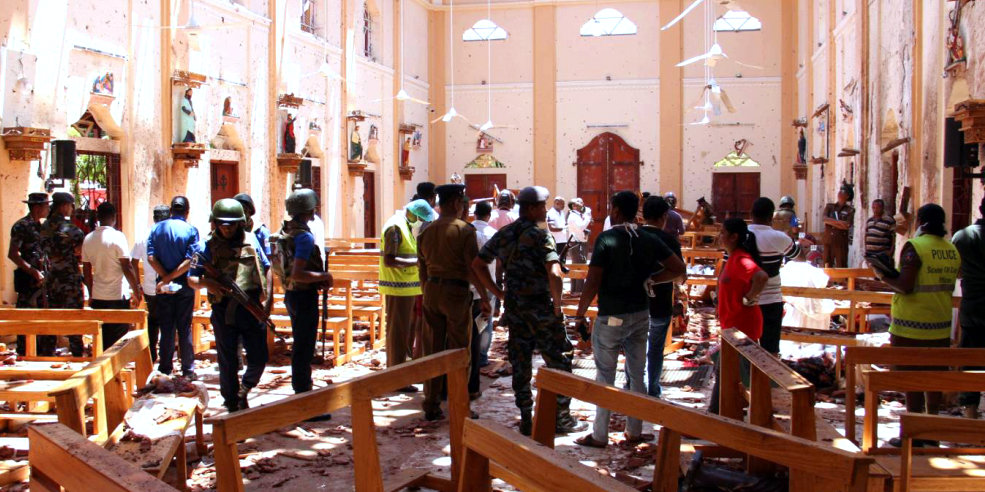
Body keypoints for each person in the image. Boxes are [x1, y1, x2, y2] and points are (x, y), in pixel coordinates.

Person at [573, 192, 685, 448]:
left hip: (612, 315)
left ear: (614, 211)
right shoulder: (647, 238)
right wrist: (653, 279)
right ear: (637, 211)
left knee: (605, 375)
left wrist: (580, 314)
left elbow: (593, 281)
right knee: (637, 373)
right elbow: (678, 269)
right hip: (640, 314)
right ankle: (634, 430)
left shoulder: (607, 239)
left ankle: (600, 434)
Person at [471, 186, 584, 436]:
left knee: (520, 362)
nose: (545, 210)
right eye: (543, 206)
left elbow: (478, 264)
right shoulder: (540, 235)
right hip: (541, 309)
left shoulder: (505, 233)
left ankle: (525, 417)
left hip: (516, 310)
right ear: (532, 208)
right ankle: (561, 418)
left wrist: (499, 294)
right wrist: (557, 305)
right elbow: (554, 273)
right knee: (559, 360)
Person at [870, 204, 960, 445]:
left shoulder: (915, 247)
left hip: (911, 325)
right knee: (933, 379)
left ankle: (914, 433)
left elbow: (906, 285)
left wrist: (883, 276)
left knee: (911, 380)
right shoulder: (951, 249)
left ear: (920, 221)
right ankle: (931, 429)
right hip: (939, 324)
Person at [189, 199, 270, 413]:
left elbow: (267, 269)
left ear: (240, 223)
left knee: (259, 356)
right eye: (222, 224)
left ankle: (245, 388)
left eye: (231, 224)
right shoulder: (206, 246)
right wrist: (209, 283)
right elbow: (192, 279)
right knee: (227, 361)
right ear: (215, 223)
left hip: (250, 306)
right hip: (224, 309)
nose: (226, 228)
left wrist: (268, 300)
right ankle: (232, 403)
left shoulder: (251, 241)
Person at [418, 184, 488, 420]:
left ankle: (431, 402)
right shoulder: (463, 230)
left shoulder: (426, 231)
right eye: (462, 203)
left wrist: (428, 292)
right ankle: (460, 404)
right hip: (455, 293)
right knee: (460, 350)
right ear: (455, 203)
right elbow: (472, 269)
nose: (463, 207)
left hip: (431, 291)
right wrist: (485, 297)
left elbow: (422, 270)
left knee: (433, 350)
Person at [272, 188, 334, 421]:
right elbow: (298, 273)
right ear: (310, 210)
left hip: (291, 295)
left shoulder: (286, 230)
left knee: (301, 345)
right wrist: (324, 277)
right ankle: (303, 398)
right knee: (304, 348)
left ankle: (302, 390)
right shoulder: (304, 237)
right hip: (303, 296)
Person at [708, 218, 768, 414]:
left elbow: (761, 277)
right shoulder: (732, 258)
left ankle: (716, 413)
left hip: (742, 327)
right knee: (729, 372)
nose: (720, 236)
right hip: (731, 325)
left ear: (734, 237)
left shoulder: (742, 259)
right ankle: (731, 408)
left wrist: (749, 298)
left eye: (723, 233)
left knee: (725, 371)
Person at [379, 198, 436, 381]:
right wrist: (416, 263)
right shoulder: (395, 227)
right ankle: (396, 378)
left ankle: (401, 372)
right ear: (412, 212)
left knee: (404, 333)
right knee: (398, 334)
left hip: (408, 288)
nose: (420, 222)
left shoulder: (405, 225)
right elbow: (389, 260)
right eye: (420, 218)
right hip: (398, 288)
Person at [147, 196, 201, 378]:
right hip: (184, 285)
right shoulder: (191, 230)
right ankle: (188, 369)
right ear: (187, 211)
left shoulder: (157, 229)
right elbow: (190, 260)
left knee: (166, 327)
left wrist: (164, 278)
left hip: (163, 286)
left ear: (171, 210)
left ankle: (165, 367)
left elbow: (151, 258)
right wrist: (172, 277)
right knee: (184, 327)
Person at [640, 196, 685, 398]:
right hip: (660, 303)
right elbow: (681, 275)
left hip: (634, 304)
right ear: (664, 216)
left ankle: (632, 385)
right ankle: (653, 388)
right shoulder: (668, 241)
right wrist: (657, 279)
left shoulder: (634, 237)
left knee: (634, 348)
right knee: (656, 350)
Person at [82, 202, 141, 349]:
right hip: (117, 296)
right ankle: (116, 370)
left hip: (98, 296)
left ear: (98, 217)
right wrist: (136, 290)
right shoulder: (117, 237)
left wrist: (90, 294)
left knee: (103, 337)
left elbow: (86, 271)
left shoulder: (88, 239)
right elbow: (127, 267)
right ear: (114, 217)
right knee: (118, 339)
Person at [749, 197, 802, 355]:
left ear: (751, 214)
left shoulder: (740, 236)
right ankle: (766, 379)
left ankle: (745, 378)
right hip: (771, 300)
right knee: (770, 349)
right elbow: (800, 257)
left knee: (745, 347)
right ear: (771, 216)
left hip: (746, 299)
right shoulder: (780, 236)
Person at [41, 192, 86, 356]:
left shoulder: (45, 226)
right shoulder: (72, 230)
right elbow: (79, 250)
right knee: (74, 317)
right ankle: (77, 353)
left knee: (53, 317)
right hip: (69, 279)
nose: (72, 209)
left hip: (51, 278)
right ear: (63, 206)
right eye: (70, 205)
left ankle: (47, 353)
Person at [953, 197, 985, 418]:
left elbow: (956, 270)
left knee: (971, 356)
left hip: (973, 304)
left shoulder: (963, 237)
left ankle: (970, 411)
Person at [9, 193, 50, 355]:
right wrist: (32, 271)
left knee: (41, 320)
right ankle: (25, 352)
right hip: (28, 282)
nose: (48, 209)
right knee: (26, 319)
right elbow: (13, 254)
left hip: (41, 283)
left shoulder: (41, 227)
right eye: (46, 206)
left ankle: (40, 352)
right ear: (37, 208)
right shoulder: (21, 226)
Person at [131, 205, 171, 362]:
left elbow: (133, 261)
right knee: (167, 320)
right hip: (167, 285)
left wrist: (137, 283)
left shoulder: (143, 236)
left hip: (149, 287)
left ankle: (152, 353)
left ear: (154, 218)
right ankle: (165, 356)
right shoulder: (170, 235)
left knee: (153, 320)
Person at [780, 237, 835, 330]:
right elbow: (824, 281)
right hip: (814, 311)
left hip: (798, 311)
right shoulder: (814, 271)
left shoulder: (788, 269)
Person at [470, 201, 498, 368]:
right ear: (488, 215)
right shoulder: (493, 233)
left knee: (471, 318)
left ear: (475, 213)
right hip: (489, 282)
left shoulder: (468, 231)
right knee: (485, 320)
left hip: (471, 283)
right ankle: (481, 356)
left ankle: (470, 352)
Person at [823, 183, 855, 267]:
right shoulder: (830, 207)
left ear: (847, 196)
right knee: (827, 265)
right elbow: (824, 219)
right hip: (828, 241)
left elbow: (847, 225)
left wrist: (831, 221)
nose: (840, 193)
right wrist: (840, 222)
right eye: (839, 190)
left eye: (843, 191)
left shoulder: (850, 210)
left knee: (841, 265)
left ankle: (840, 280)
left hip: (841, 243)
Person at [234, 193, 272, 258]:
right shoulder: (231, 231)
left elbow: (269, 256)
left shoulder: (261, 231)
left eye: (244, 211)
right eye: (238, 213)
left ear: (250, 212)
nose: (242, 215)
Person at [566, 198, 592, 293]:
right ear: (574, 206)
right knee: (579, 266)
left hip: (580, 242)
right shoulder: (573, 216)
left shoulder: (578, 215)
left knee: (577, 266)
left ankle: (575, 290)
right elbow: (581, 227)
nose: (582, 205)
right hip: (577, 243)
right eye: (579, 203)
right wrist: (588, 217)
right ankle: (578, 291)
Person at [547, 196, 568, 263]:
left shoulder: (562, 212)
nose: (564, 206)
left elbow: (563, 224)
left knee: (563, 261)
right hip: (555, 241)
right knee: (556, 261)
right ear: (556, 203)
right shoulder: (551, 213)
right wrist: (564, 228)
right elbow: (551, 228)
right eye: (562, 204)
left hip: (563, 240)